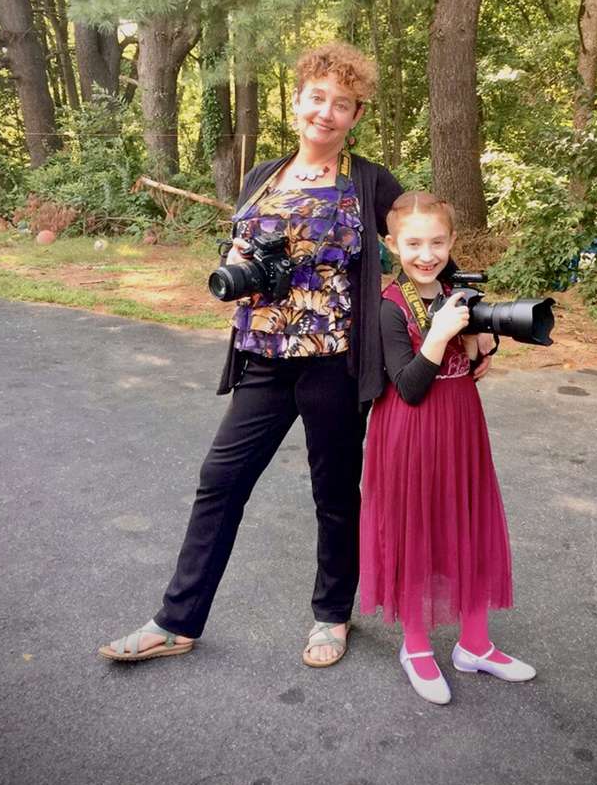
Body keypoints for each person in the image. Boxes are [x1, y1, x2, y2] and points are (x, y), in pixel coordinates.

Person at [99, 42, 402, 667]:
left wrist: (466, 316)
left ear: (355, 116)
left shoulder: (369, 182)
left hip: (334, 366)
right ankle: (176, 621)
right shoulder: (263, 174)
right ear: (297, 103)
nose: (326, 112)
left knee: (335, 494)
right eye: (317, 98)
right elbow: (242, 249)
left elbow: (426, 243)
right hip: (263, 360)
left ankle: (331, 616)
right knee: (220, 482)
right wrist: (233, 268)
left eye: (341, 104)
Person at [359, 191, 536, 704]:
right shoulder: (389, 306)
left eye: (437, 241)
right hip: (409, 432)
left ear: (452, 241)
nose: (426, 253)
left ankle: (475, 645)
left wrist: (484, 344)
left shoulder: (459, 292)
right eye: (413, 243)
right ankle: (414, 646)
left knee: (469, 524)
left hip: (461, 426)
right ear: (392, 244)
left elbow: (471, 368)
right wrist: (438, 337)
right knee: (417, 532)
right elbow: (409, 387)